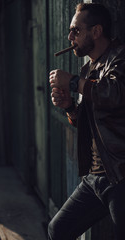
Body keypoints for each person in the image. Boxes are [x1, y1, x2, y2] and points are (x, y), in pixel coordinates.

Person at [48, 3, 125, 240]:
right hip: (95, 177)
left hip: (120, 175)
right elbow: (87, 121)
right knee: (58, 230)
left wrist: (72, 82)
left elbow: (114, 94)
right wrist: (69, 106)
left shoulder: (120, 56)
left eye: (76, 31)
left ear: (96, 31)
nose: (70, 37)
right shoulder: (86, 70)